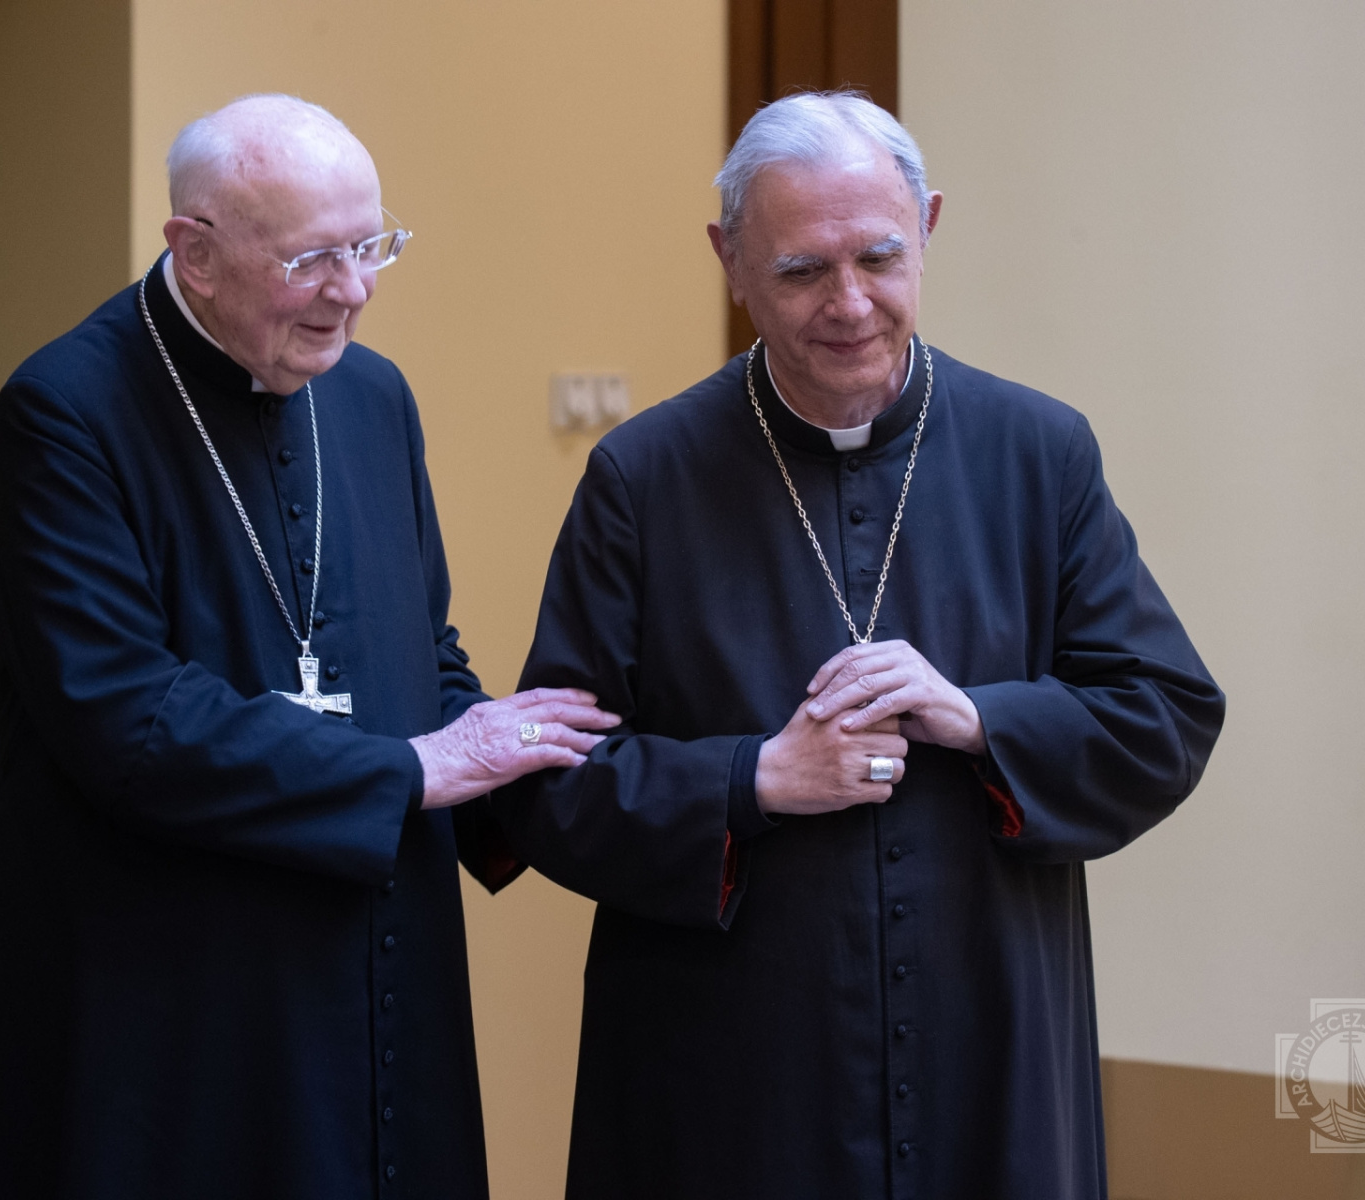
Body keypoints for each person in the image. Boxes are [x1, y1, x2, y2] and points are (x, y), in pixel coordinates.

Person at [495, 91, 1226, 1200]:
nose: (848, 304)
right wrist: (754, 778)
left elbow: (1165, 714)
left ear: (927, 227)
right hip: (733, 1076)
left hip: (987, 1045)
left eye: (879, 258)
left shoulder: (1039, 453)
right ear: (729, 260)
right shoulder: (644, 480)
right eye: (800, 271)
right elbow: (546, 783)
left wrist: (977, 718)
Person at [0, 94, 613, 1200]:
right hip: (170, 983)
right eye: (313, 259)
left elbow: (421, 647)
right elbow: (121, 714)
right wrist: (410, 769)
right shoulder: (65, 410)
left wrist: (510, 758)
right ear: (194, 254)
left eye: (372, 246)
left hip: (372, 951)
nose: (354, 290)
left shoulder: (373, 397)